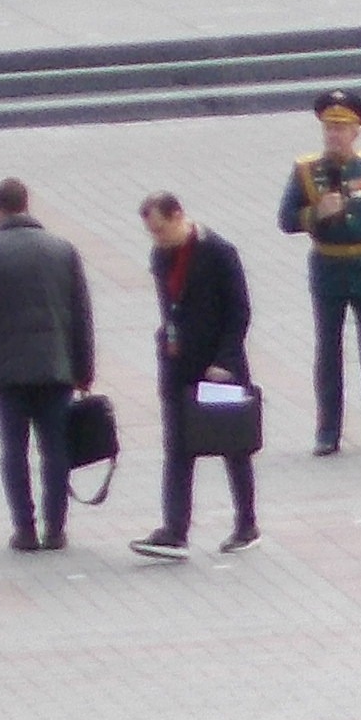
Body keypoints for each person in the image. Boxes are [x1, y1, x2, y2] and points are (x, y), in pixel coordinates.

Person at [0, 178, 97, 554]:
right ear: (26, 204)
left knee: (14, 452)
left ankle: (25, 529)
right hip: (56, 369)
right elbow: (81, 314)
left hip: (7, 375)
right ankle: (56, 529)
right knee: (56, 450)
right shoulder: (62, 250)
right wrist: (84, 369)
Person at [275, 89, 361, 458]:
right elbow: (286, 219)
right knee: (328, 353)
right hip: (329, 268)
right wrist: (316, 213)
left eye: (341, 128)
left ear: (356, 132)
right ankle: (327, 432)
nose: (333, 135)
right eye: (329, 128)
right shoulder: (307, 171)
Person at [131, 192, 261, 559]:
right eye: (151, 232)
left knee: (233, 443)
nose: (157, 238)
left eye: (160, 229)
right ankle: (175, 530)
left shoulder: (218, 252)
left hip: (220, 366)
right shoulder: (161, 255)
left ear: (178, 216)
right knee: (177, 446)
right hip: (178, 364)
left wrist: (226, 360)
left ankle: (246, 523)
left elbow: (240, 311)